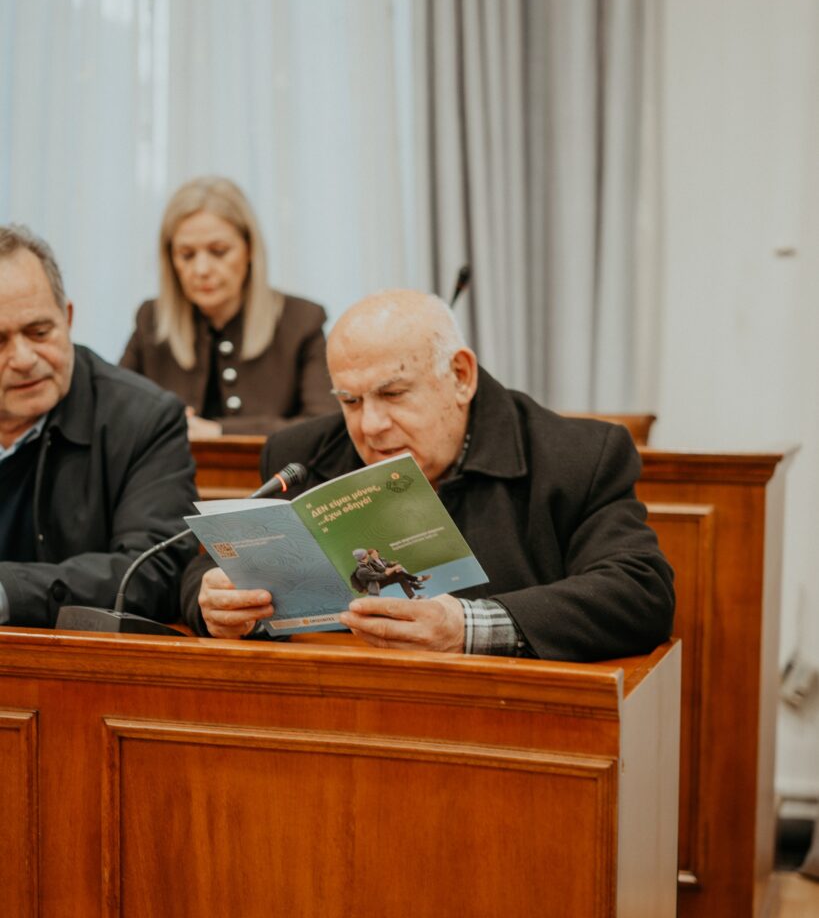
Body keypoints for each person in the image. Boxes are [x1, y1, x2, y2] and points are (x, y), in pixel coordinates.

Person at [181, 289, 674, 660]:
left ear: (460, 376)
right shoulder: (301, 455)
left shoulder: (576, 456)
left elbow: (639, 592)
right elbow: (200, 572)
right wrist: (217, 603)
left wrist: (466, 627)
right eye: (350, 401)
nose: (370, 426)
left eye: (393, 394)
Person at [0, 225, 198, 628]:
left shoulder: (144, 418)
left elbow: (151, 571)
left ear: (68, 317)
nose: (23, 358)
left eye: (39, 332)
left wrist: (8, 591)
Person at [120, 175, 338, 438]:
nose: (201, 269)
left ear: (249, 249)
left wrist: (219, 431)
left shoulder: (302, 320)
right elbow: (114, 411)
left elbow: (326, 425)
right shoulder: (151, 320)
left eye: (219, 251)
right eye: (186, 255)